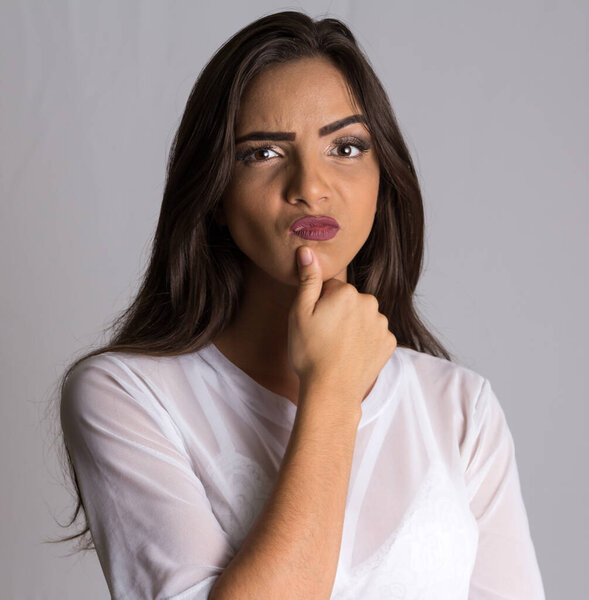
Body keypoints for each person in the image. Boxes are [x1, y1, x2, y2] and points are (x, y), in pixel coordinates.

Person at [55, 10, 546, 600]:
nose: (310, 186)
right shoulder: (127, 395)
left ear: (383, 175)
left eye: (346, 146)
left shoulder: (461, 409)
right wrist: (332, 392)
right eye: (262, 153)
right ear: (214, 193)